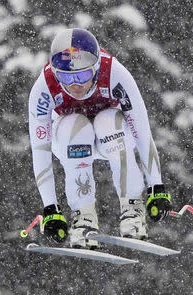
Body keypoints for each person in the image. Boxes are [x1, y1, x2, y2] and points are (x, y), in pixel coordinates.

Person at [28, 28, 171, 249]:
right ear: (56, 73)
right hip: (71, 142)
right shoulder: (44, 87)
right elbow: (40, 150)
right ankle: (83, 218)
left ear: (95, 68)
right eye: (66, 76)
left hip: (114, 138)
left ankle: (132, 209)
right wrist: (51, 209)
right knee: (73, 125)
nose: (75, 84)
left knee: (108, 120)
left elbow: (141, 131)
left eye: (83, 75)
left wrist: (156, 186)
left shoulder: (114, 73)